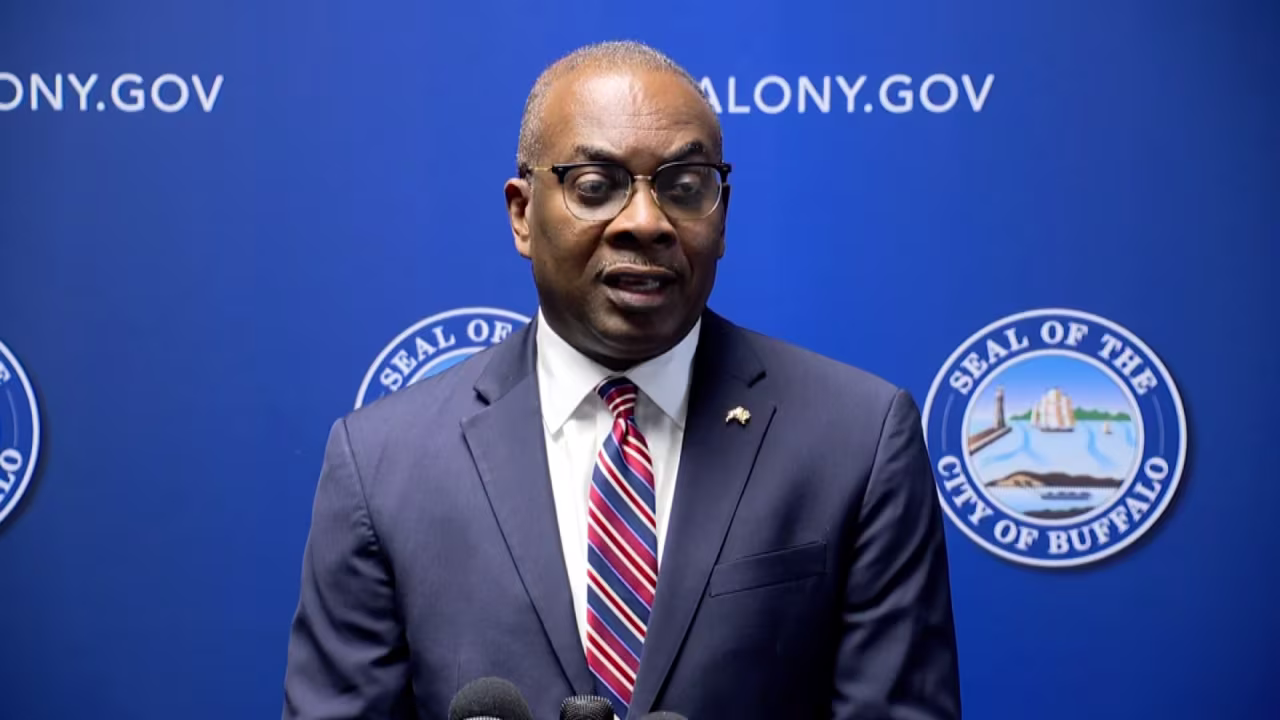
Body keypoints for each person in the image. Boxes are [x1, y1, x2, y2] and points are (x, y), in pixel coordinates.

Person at [282, 40, 961, 720]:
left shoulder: (858, 439)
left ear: (722, 216)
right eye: (596, 187)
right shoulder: (381, 463)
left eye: (686, 187)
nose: (645, 222)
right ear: (522, 213)